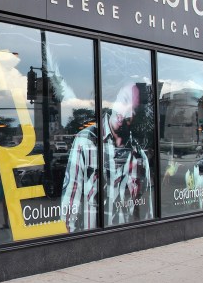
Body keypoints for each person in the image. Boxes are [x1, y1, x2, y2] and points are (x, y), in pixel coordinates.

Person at [61, 83, 151, 231]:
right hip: (89, 242)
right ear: (115, 100)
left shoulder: (139, 157)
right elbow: (70, 203)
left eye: (133, 109)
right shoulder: (86, 141)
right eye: (124, 101)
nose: (125, 111)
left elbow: (145, 213)